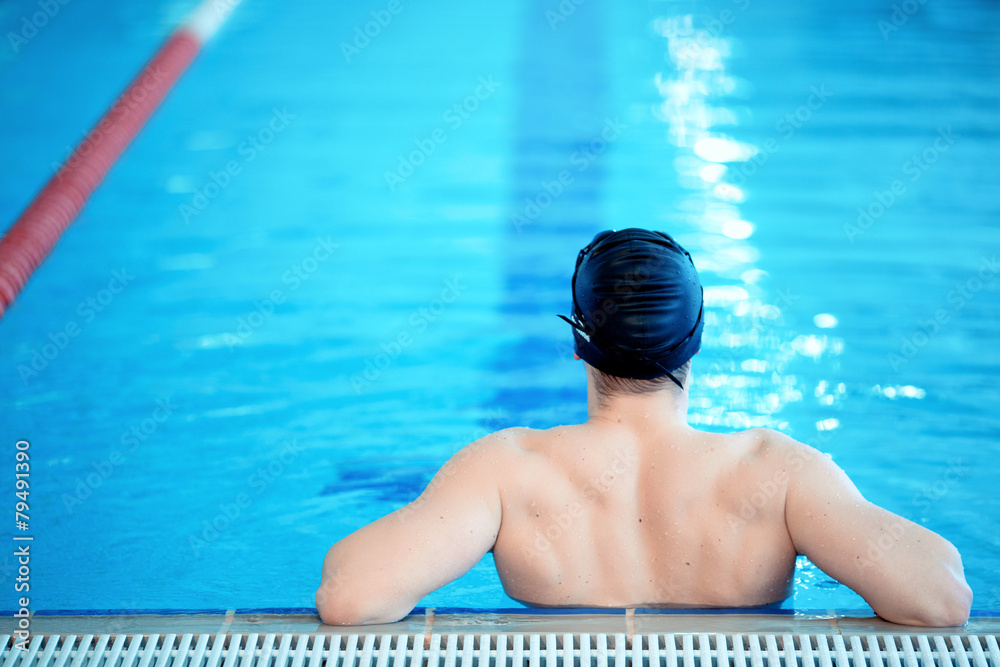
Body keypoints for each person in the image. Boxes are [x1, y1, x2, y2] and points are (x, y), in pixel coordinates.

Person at [315, 228, 971, 627]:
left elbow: (348, 597)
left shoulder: (505, 470)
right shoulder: (779, 472)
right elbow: (941, 598)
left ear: (579, 347)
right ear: (696, 345)